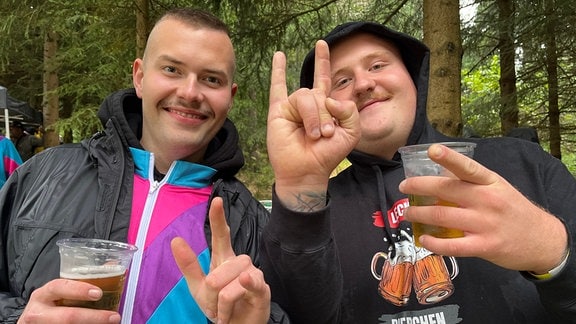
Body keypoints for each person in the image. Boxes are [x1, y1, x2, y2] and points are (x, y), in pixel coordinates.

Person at [262, 21, 575, 323]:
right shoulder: (313, 209)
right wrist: (299, 189)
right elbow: (293, 314)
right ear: (324, 106)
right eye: (342, 81)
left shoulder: (521, 162)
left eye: (377, 66)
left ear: (414, 78)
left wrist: (553, 250)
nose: (363, 84)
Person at [0, 8, 287, 324]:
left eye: (211, 79)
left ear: (229, 97)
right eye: (172, 69)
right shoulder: (42, 176)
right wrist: (18, 318)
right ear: (139, 77)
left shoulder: (252, 224)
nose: (190, 92)